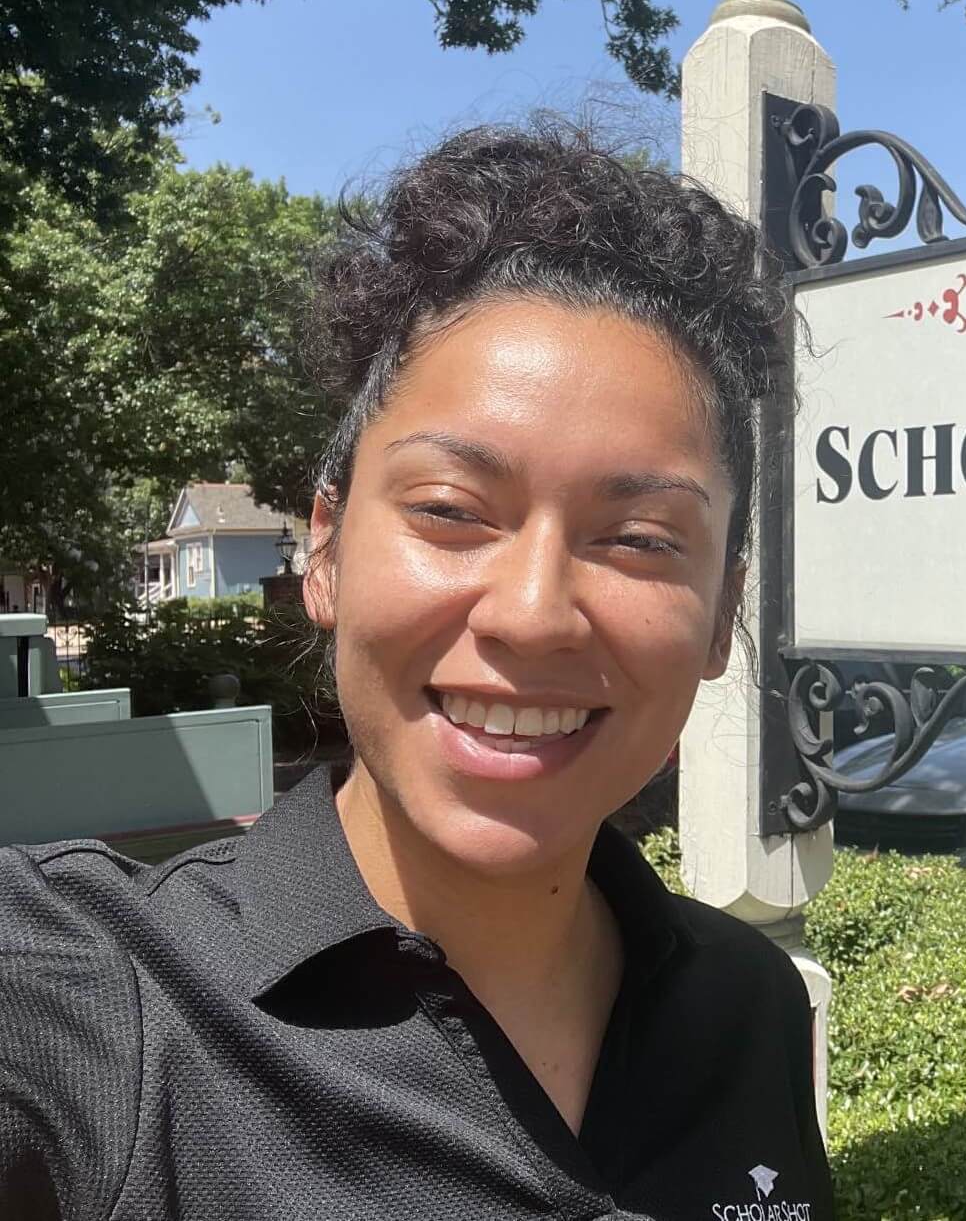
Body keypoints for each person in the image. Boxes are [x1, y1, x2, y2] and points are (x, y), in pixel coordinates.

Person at [0, 122, 833, 1219]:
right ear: (329, 549)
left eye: (637, 537)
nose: (534, 614)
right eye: (449, 512)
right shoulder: (90, 1001)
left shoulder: (750, 1006)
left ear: (724, 613)